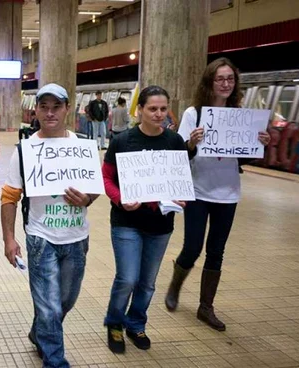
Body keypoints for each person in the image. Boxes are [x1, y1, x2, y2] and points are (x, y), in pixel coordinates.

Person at [165, 57, 271, 331]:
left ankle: (206, 307)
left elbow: (243, 160)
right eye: (220, 78)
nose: (225, 84)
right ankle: (175, 284)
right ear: (210, 82)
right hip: (198, 190)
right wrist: (192, 142)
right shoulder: (194, 114)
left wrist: (260, 147)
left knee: (217, 251)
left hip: (228, 193)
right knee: (192, 247)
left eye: (230, 79)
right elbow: (180, 155)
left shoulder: (241, 116)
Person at [2, 83, 98, 368]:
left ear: (68, 109)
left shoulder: (82, 147)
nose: (50, 112)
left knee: (64, 302)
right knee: (49, 306)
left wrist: (87, 199)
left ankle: (39, 331)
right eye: (44, 106)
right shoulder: (25, 151)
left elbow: (93, 189)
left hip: (76, 237)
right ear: (36, 110)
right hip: (40, 237)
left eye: (56, 106)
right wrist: (9, 238)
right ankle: (55, 361)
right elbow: (9, 197)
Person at [101, 85, 187, 353]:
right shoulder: (122, 141)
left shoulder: (175, 142)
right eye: (152, 109)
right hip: (126, 222)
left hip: (160, 225)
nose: (159, 114)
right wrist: (119, 198)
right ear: (139, 110)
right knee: (127, 278)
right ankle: (115, 323)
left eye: (163, 109)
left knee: (147, 282)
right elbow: (105, 178)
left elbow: (180, 179)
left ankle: (136, 323)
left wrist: (181, 196)